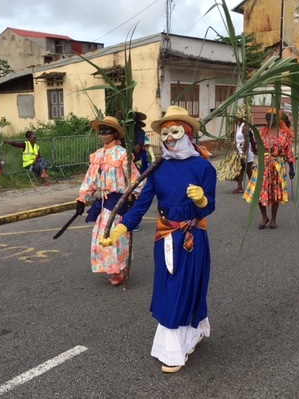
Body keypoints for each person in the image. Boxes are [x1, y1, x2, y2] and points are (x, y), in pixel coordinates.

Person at [99, 105, 216, 373]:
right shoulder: (158, 168)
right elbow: (141, 205)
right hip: (164, 237)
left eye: (174, 131)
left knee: (187, 286)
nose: (169, 137)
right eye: (164, 133)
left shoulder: (203, 167)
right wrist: (121, 229)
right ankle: (185, 337)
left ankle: (177, 347)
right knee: (169, 288)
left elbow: (210, 207)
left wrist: (201, 199)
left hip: (192, 237)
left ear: (186, 133)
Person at [75, 116, 142, 286]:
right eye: (101, 131)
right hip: (103, 205)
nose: (104, 135)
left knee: (116, 237)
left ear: (115, 133)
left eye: (108, 131)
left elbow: (135, 178)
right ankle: (111, 268)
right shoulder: (98, 155)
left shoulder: (122, 154)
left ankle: (119, 269)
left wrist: (135, 195)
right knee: (101, 238)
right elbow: (90, 179)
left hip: (119, 203)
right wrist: (82, 199)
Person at [243, 108, 295, 229]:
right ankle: (264, 217)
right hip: (263, 165)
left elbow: (288, 152)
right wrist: (251, 140)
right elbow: (256, 151)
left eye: (271, 117)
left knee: (274, 193)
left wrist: (291, 167)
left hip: (277, 166)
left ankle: (273, 219)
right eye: (267, 117)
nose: (268, 120)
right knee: (259, 192)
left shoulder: (284, 134)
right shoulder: (262, 133)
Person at [217, 115, 254, 193]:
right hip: (239, 151)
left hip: (245, 151)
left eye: (235, 118)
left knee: (248, 170)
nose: (234, 120)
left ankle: (253, 187)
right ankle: (239, 187)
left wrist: (244, 153)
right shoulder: (239, 126)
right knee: (239, 169)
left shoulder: (245, 127)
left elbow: (246, 140)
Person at [132, 108, 149, 173]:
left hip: (136, 162)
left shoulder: (140, 132)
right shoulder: (123, 131)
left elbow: (137, 150)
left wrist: (131, 136)